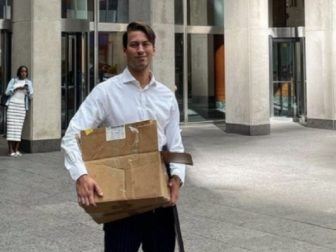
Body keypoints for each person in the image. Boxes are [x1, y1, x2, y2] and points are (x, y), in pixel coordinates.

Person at [61, 21, 186, 251]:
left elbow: (174, 143)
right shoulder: (106, 92)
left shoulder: (166, 96)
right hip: (121, 204)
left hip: (160, 201)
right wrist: (81, 176)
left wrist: (177, 178)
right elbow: (71, 136)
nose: (140, 49)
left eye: (145, 44)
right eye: (134, 44)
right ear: (125, 50)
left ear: (154, 49)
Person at [4, 65, 33, 157]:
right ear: (19, 72)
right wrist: (16, 88)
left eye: (25, 72)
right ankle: (10, 150)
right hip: (12, 106)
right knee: (11, 129)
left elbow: (31, 96)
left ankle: (16, 150)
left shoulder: (29, 83)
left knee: (18, 129)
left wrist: (28, 90)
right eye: (22, 71)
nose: (24, 73)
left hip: (21, 107)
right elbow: (6, 92)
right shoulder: (13, 81)